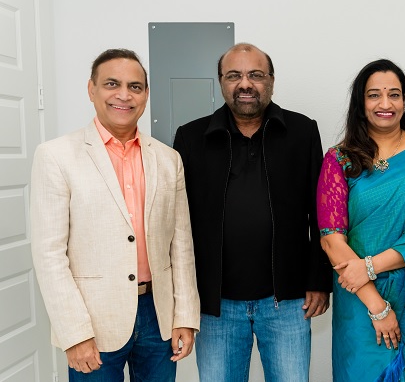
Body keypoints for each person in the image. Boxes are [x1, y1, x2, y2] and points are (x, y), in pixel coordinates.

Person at [30, 48, 200, 381]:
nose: (124, 95)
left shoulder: (168, 159)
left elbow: (181, 246)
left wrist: (184, 315)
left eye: (135, 87)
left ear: (146, 94)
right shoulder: (56, 156)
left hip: (158, 316)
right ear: (91, 89)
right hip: (93, 322)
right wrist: (74, 333)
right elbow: (49, 255)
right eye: (112, 84)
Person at [173, 43, 331, 382]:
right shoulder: (191, 137)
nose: (245, 84)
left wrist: (319, 280)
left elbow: (320, 213)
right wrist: (183, 298)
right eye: (234, 75)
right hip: (215, 304)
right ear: (221, 81)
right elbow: (178, 226)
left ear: (271, 80)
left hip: (287, 300)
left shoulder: (302, 131)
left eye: (255, 75)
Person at [316, 59, 405, 381]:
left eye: (394, 94)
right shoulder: (339, 159)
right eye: (374, 95)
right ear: (361, 103)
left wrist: (368, 267)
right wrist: (377, 306)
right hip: (358, 300)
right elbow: (331, 240)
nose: (385, 104)